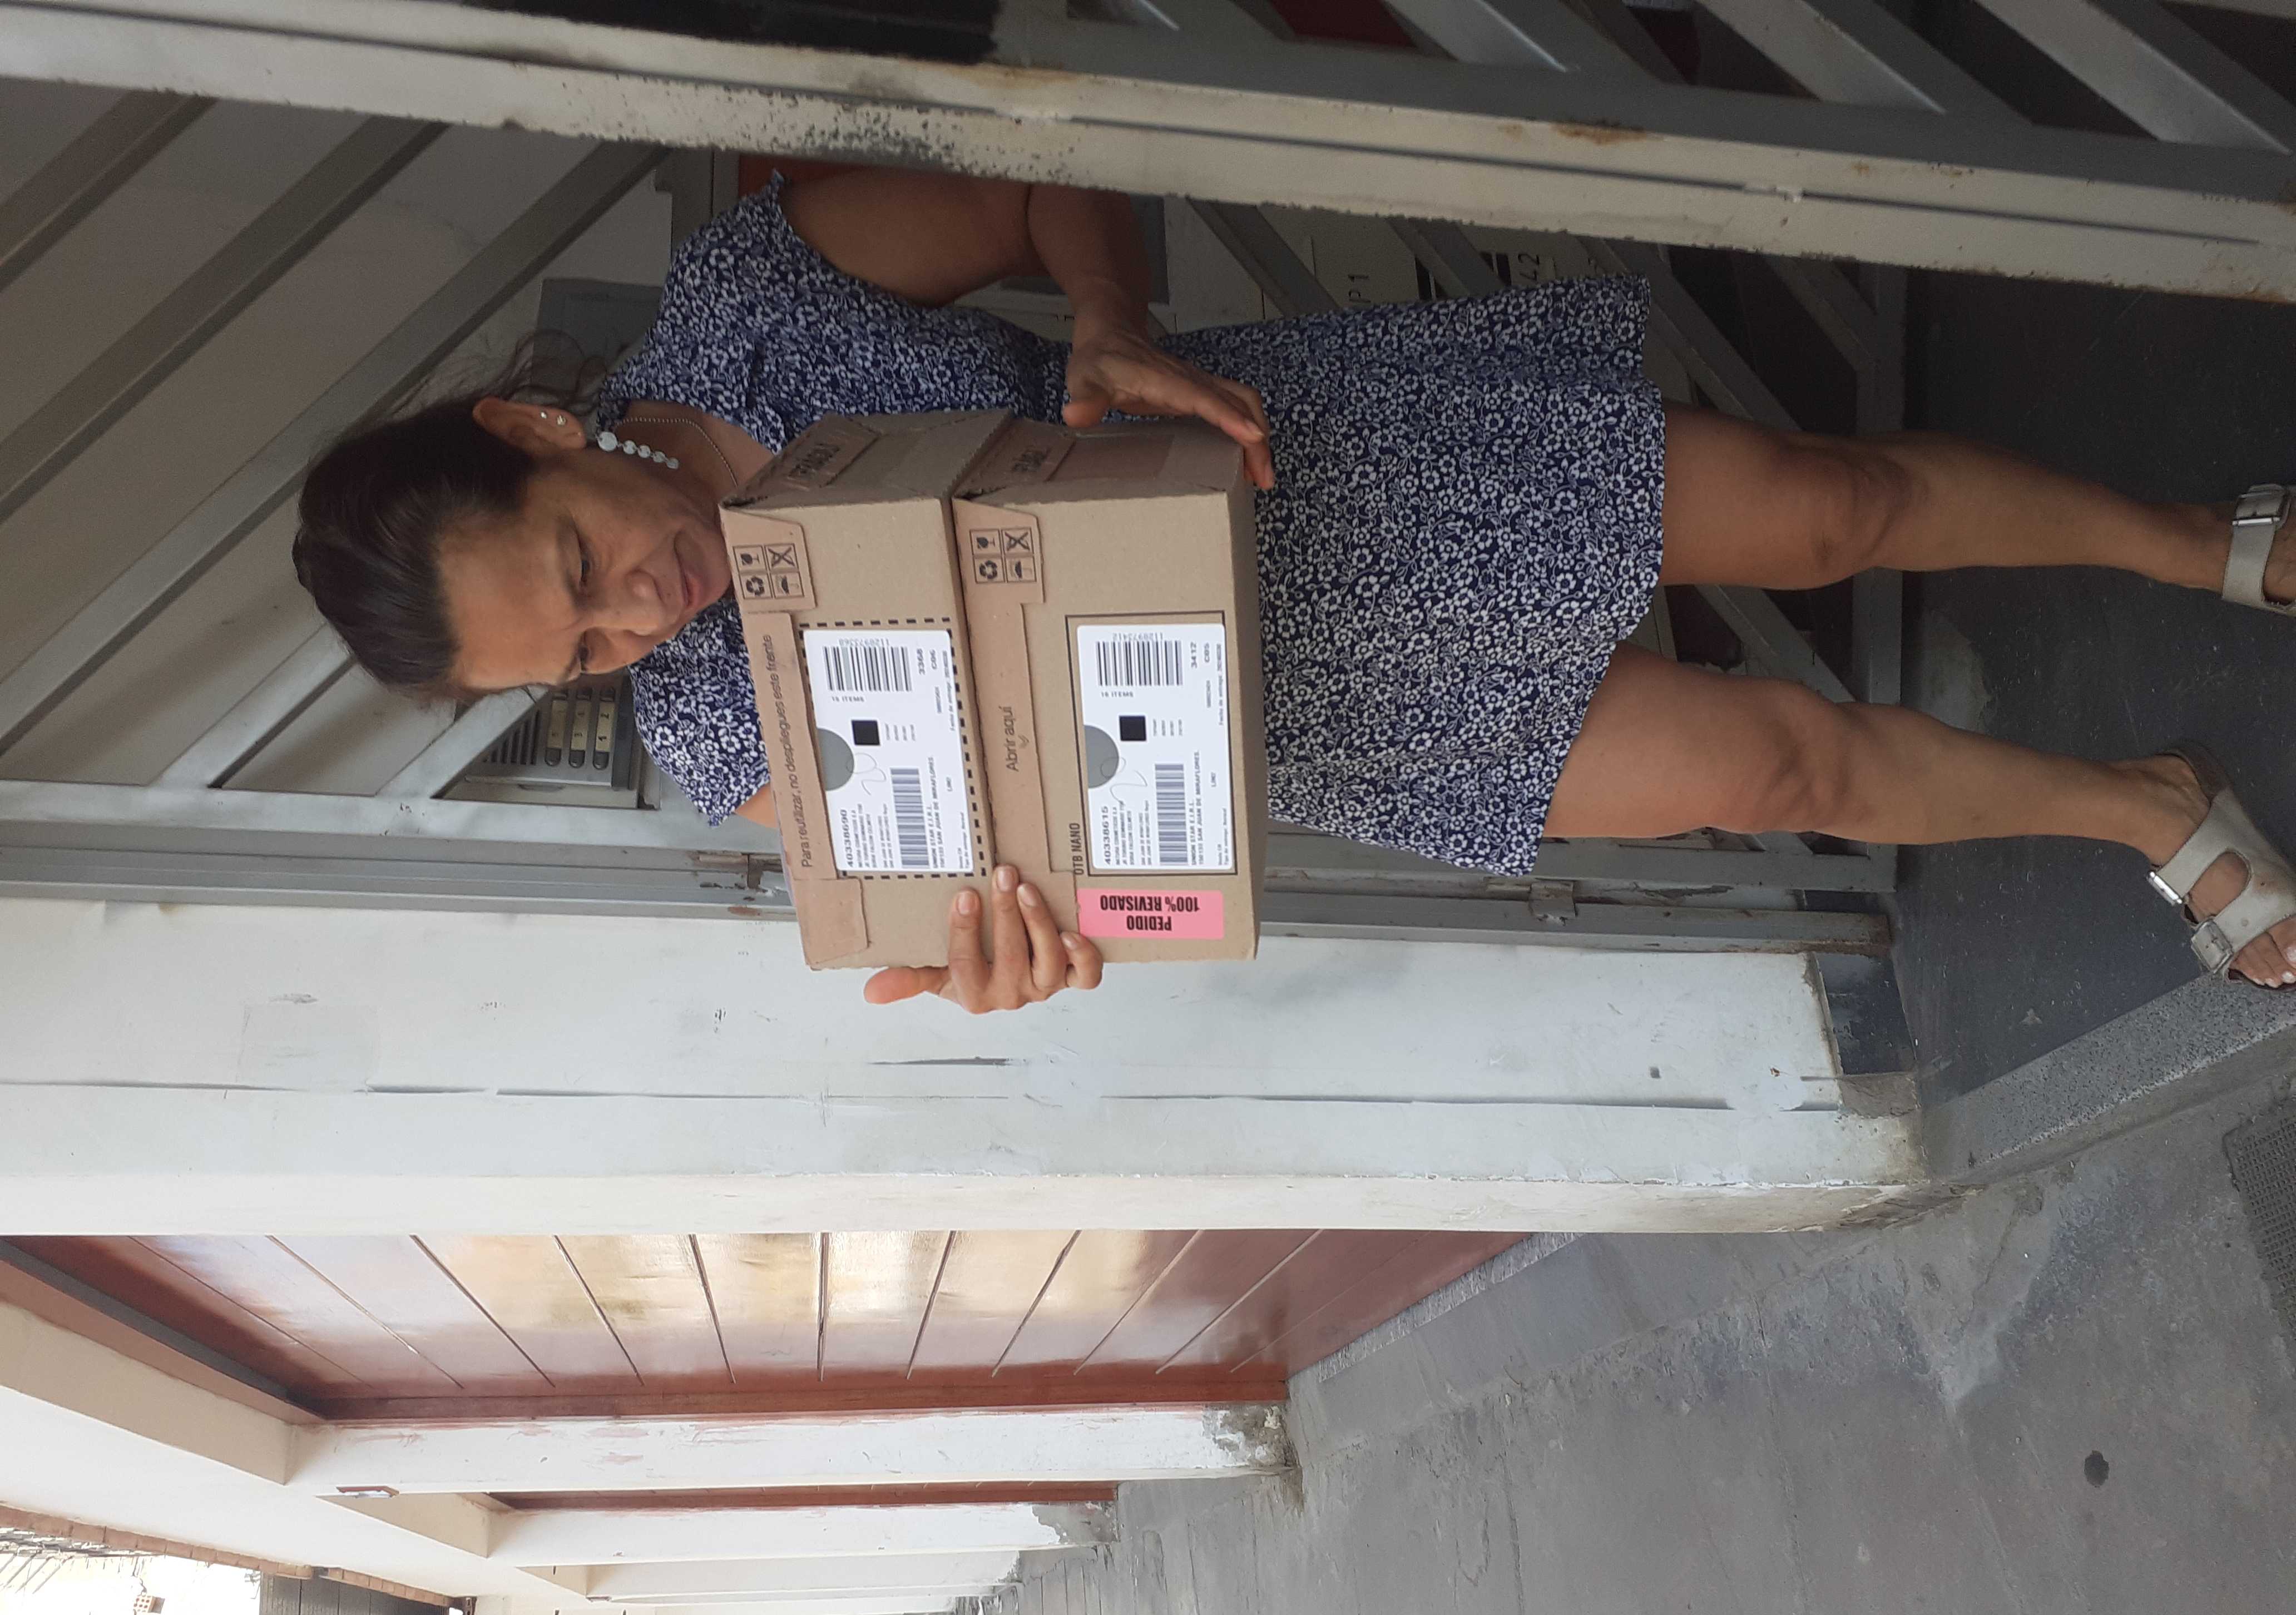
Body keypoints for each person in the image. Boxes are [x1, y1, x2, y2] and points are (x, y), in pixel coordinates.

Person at [293, 166, 2296, 1012]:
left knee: (1830, 509)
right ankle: (2145, 806)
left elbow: (1043, 179)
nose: (641, 617)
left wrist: (1103, 318)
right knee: (1784, 767)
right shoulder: (712, 717)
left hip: (1314, 462)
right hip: (1303, 706)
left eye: (580, 564)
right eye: (585, 649)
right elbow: (998, 856)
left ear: (531, 426)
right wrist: (1030, 945)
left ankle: (2190, 535)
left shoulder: (751, 295)